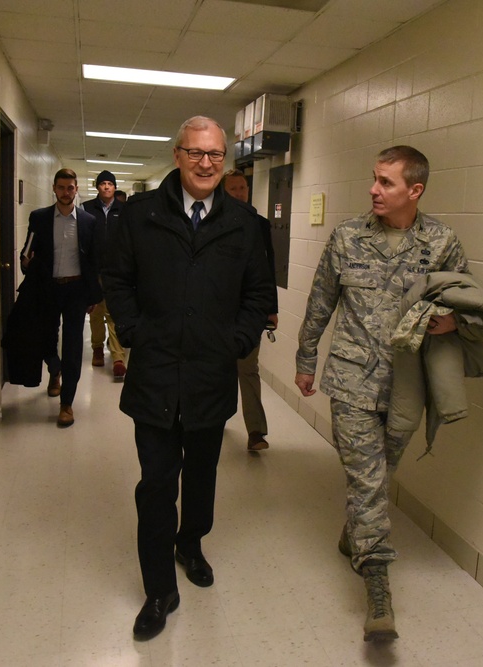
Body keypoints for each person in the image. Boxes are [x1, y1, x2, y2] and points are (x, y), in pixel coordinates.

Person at [103, 116, 275, 640]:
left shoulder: (245, 224)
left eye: (216, 155)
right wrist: (133, 331)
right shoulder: (140, 216)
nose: (206, 164)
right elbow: (116, 278)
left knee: (201, 476)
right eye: (196, 153)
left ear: (226, 160)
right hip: (154, 376)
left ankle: (191, 542)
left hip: (209, 376)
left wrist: (235, 343)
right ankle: (158, 589)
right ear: (177, 155)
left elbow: (259, 297)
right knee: (156, 484)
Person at [294, 146, 469, 642]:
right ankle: (378, 593)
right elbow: (320, 301)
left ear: (414, 190)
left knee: (379, 474)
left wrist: (454, 321)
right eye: (374, 179)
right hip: (350, 380)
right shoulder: (347, 238)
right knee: (368, 482)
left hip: (408, 386)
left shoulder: (441, 243)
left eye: (386, 182)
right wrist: (306, 360)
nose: (374, 189)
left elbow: (467, 301)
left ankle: (356, 536)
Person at [19, 168, 102, 427]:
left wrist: (93, 294)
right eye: (61, 187)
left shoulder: (88, 221)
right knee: (45, 336)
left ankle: (67, 402)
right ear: (54, 189)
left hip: (76, 290)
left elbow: (94, 261)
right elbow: (27, 252)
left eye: (71, 188)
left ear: (76, 190)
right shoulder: (40, 218)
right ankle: (54, 369)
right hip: (47, 289)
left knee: (73, 345)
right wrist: (25, 263)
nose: (66, 192)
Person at [221, 169, 277, 451]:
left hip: (250, 310)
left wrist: (271, 308)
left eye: (242, 187)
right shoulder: (211, 223)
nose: (239, 193)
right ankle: (215, 417)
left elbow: (268, 270)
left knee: (248, 367)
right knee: (219, 368)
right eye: (233, 188)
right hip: (217, 308)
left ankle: (256, 431)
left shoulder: (260, 224)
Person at [82, 170, 127, 380]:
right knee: (97, 312)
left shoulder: (124, 210)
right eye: (103, 183)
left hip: (117, 271)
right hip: (94, 269)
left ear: (115, 187)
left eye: (110, 183)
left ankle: (118, 357)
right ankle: (98, 348)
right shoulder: (87, 209)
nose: (107, 187)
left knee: (115, 313)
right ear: (97, 187)